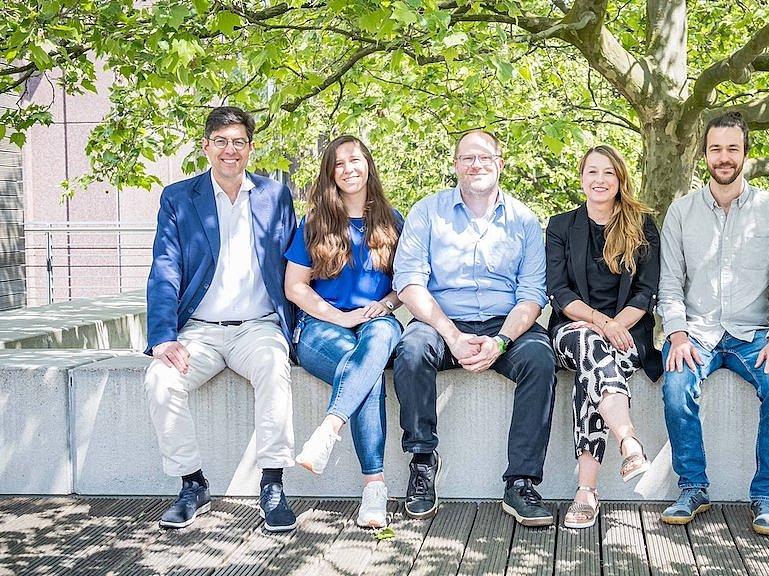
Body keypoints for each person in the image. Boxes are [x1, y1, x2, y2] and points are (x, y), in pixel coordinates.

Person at [391, 129, 557, 527]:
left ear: (500, 163)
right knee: (410, 350)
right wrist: (451, 335)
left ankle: (521, 482)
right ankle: (422, 460)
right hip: (441, 320)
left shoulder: (525, 221)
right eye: (467, 158)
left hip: (506, 325)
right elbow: (409, 281)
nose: (476, 165)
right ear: (455, 166)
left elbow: (532, 294)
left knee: (539, 357)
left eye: (485, 157)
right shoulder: (427, 211)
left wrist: (501, 342)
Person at [144, 106, 298, 532]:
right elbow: (165, 270)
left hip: (259, 326)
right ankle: (192, 483)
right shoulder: (178, 198)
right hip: (199, 332)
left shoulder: (274, 195)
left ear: (250, 148)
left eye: (239, 142)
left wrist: (302, 326)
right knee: (160, 380)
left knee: (273, 367)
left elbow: (294, 265)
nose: (230, 151)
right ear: (206, 146)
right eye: (221, 142)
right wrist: (163, 336)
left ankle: (273, 483)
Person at [658, 112, 769, 535]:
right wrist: (678, 333)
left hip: (753, 335)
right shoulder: (681, 213)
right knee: (676, 385)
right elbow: (669, 283)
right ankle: (693, 487)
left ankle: (766, 496)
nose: (724, 157)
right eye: (716, 149)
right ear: (704, 154)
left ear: (745, 153)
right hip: (696, 332)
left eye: (732, 149)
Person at [284, 135, 403, 529]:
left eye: (355, 160)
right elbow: (295, 286)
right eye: (339, 164)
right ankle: (375, 487)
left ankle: (328, 429)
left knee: (384, 332)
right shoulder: (315, 223)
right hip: (321, 328)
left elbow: (407, 285)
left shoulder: (393, 221)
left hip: (375, 323)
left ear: (368, 164)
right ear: (330, 174)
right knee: (366, 377)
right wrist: (342, 318)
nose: (349, 169)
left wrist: (384, 306)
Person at [545, 145, 662, 529]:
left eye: (608, 173)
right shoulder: (561, 226)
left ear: (620, 179)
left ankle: (586, 492)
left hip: (628, 335)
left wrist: (614, 326)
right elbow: (560, 293)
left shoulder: (642, 224)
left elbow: (646, 293)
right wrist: (599, 322)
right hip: (572, 329)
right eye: (592, 172)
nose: (599, 180)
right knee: (588, 346)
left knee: (589, 373)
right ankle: (628, 439)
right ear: (581, 178)